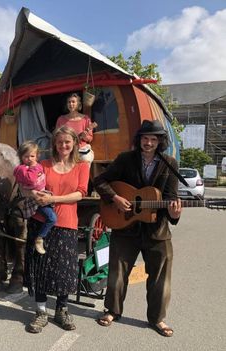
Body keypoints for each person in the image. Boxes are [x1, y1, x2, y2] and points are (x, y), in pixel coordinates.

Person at [93, 119, 182, 337]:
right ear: (139, 139)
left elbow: (170, 197)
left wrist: (174, 213)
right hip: (125, 227)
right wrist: (114, 197)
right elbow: (100, 180)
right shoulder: (125, 159)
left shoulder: (169, 163)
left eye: (153, 139)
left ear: (160, 141)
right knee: (118, 271)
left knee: (161, 275)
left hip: (156, 229)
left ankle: (157, 318)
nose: (149, 143)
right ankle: (112, 310)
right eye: (145, 138)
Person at [24, 125, 90, 334]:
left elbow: (80, 194)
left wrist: (53, 198)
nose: (63, 145)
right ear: (54, 143)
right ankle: (41, 312)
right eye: (59, 142)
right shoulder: (42, 164)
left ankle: (62, 310)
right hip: (40, 222)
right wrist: (33, 193)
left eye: (67, 142)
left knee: (64, 271)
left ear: (74, 144)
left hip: (67, 224)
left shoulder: (82, 166)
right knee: (41, 269)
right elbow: (26, 185)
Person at [14, 140, 57, 254]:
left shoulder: (38, 166)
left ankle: (39, 237)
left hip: (42, 195)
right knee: (52, 218)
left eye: (32, 156)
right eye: (26, 156)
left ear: (37, 156)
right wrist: (28, 169)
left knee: (51, 216)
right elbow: (31, 179)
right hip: (34, 199)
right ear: (21, 157)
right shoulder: (22, 169)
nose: (30, 159)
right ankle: (39, 238)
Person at [55, 93, 95, 162]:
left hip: (81, 149)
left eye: (73, 102)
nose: (71, 104)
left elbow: (90, 138)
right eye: (69, 102)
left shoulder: (85, 119)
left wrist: (85, 137)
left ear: (78, 104)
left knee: (86, 158)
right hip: (65, 149)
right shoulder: (61, 119)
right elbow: (56, 136)